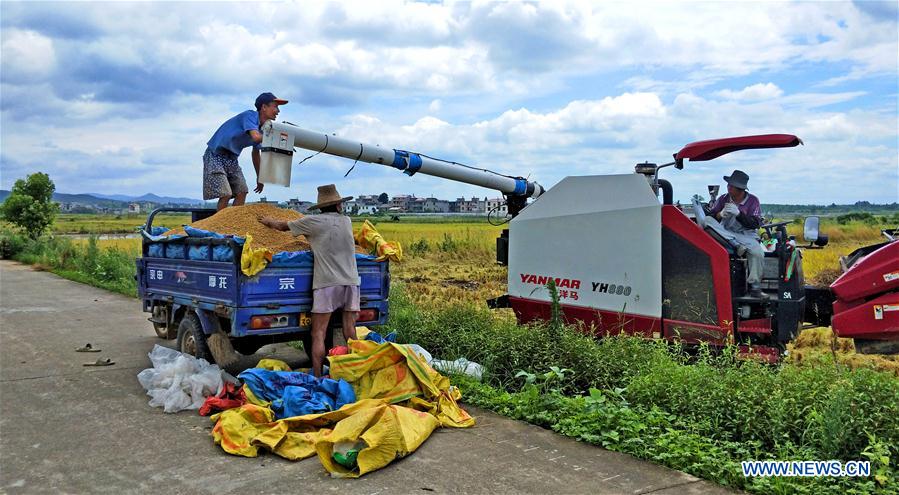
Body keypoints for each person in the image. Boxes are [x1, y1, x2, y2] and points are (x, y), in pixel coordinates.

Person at [260, 184, 358, 377]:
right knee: (350, 332)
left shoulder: (312, 221)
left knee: (318, 333)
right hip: (352, 282)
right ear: (338, 205)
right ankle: (355, 372)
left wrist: (267, 221)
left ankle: (317, 376)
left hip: (327, 283)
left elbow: (281, 227)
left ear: (321, 207)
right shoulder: (346, 221)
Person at [204, 92, 288, 211]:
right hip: (215, 154)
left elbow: (256, 153)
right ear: (264, 107)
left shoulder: (263, 129)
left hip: (232, 158)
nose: (278, 111)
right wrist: (276, 136)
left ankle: (234, 220)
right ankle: (220, 222)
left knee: (242, 191)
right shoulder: (249, 116)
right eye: (275, 107)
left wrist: (260, 177)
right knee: (225, 194)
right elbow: (256, 137)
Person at [708, 169, 766, 298]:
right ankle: (735, 244)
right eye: (728, 184)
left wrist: (739, 214)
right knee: (707, 221)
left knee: (757, 253)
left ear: (740, 189)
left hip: (746, 236)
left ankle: (755, 286)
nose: (728, 187)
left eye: (731, 185)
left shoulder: (753, 201)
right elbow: (711, 217)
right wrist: (720, 214)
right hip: (725, 234)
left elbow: (754, 224)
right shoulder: (723, 199)